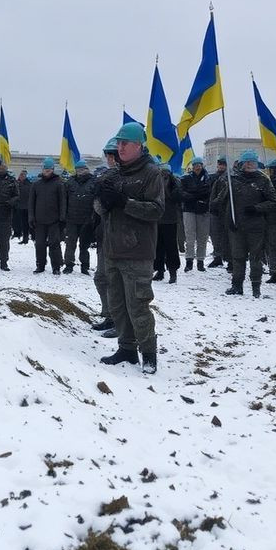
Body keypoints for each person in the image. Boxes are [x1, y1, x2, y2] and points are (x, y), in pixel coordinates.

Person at [96, 122, 164, 375]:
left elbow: (156, 210)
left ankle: (149, 353)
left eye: (125, 143)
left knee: (138, 305)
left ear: (138, 145)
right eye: (118, 143)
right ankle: (126, 348)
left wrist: (124, 202)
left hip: (137, 250)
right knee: (117, 305)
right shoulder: (113, 174)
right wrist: (103, 201)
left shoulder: (151, 173)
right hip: (113, 248)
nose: (120, 148)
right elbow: (99, 208)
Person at [213, 149, 276, 297]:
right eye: (247, 162)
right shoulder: (233, 180)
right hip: (236, 225)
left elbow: (273, 202)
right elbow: (221, 199)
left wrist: (257, 208)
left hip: (256, 226)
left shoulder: (263, 180)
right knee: (237, 257)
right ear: (241, 164)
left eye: (252, 162)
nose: (249, 165)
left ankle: (256, 287)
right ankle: (237, 285)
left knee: (256, 258)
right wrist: (224, 215)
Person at [92, 139, 118, 334]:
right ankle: (109, 314)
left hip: (123, 238)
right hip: (105, 234)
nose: (110, 159)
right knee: (101, 277)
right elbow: (98, 209)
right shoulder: (105, 177)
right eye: (108, 155)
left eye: (112, 155)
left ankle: (119, 320)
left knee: (116, 282)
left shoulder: (131, 177)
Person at [29, 157, 67, 274]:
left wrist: (62, 217)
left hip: (54, 220)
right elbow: (31, 203)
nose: (47, 171)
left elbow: (62, 202)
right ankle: (40, 265)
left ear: (53, 170)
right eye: (45, 169)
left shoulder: (58, 184)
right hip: (39, 220)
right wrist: (31, 217)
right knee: (39, 244)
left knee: (54, 244)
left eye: (49, 169)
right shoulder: (36, 185)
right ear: (42, 169)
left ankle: (56, 267)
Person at [62, 160, 96, 275]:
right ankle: (68, 265)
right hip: (71, 218)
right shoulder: (70, 182)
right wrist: (64, 215)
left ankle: (85, 266)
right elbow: (64, 199)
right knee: (70, 244)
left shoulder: (93, 182)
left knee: (84, 245)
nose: (80, 172)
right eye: (78, 169)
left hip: (87, 219)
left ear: (87, 169)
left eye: (83, 169)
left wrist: (93, 217)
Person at [153, 159, 182, 283]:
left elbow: (177, 197)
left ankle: (171, 271)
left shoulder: (173, 181)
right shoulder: (155, 180)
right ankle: (161, 270)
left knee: (169, 246)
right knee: (159, 246)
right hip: (159, 217)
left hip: (168, 218)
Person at [180, 156, 210, 271]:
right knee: (190, 237)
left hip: (203, 210)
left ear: (202, 165)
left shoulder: (208, 178)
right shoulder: (186, 178)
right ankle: (189, 261)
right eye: (196, 165)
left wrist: (193, 194)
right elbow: (182, 193)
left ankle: (200, 261)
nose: (198, 167)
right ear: (192, 167)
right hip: (189, 209)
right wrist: (195, 195)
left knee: (202, 237)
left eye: (199, 165)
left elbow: (208, 192)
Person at [208, 156, 229, 267]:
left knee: (226, 236)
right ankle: (217, 257)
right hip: (214, 210)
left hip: (226, 210)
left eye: (223, 164)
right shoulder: (213, 177)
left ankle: (229, 258)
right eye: (220, 164)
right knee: (215, 235)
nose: (221, 166)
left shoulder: (230, 177)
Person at [16, 169, 31, 243]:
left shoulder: (29, 184)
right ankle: (24, 237)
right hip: (20, 206)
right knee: (22, 223)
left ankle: (29, 237)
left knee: (28, 223)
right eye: (21, 174)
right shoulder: (17, 183)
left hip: (27, 206)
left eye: (23, 175)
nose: (21, 176)